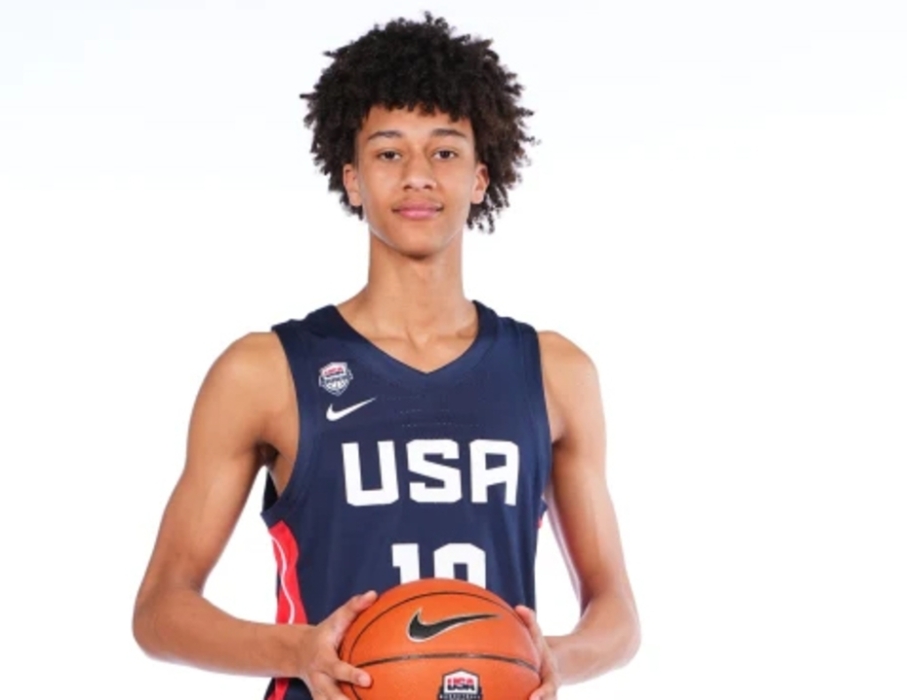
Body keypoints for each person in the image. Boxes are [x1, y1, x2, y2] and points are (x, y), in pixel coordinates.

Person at [132, 13, 640, 700]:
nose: (418, 177)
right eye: (389, 152)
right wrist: (300, 649)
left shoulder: (554, 372)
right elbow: (161, 610)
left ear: (482, 177)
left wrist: (554, 658)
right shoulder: (267, 372)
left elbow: (617, 615)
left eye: (446, 151)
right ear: (352, 178)